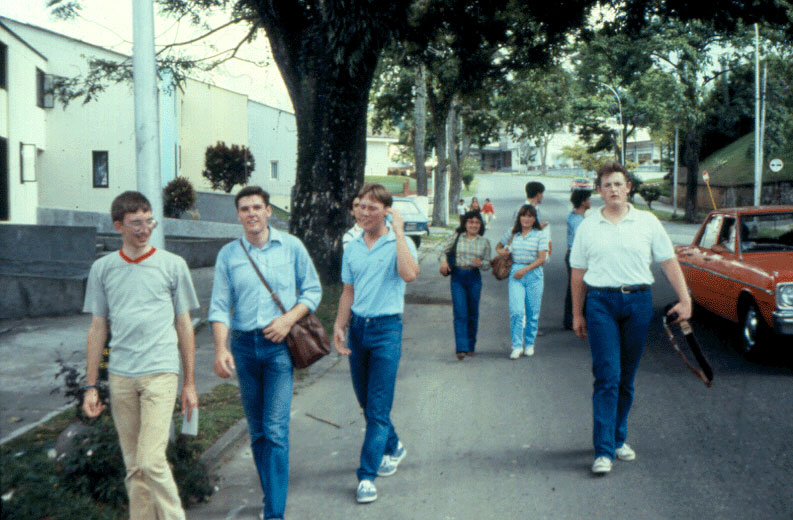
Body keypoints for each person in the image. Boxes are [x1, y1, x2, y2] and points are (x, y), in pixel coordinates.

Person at [82, 191, 199, 520]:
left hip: (160, 373)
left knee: (151, 460)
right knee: (134, 467)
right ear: (118, 225)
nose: (145, 228)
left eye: (149, 221)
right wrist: (91, 386)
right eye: (136, 223)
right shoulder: (103, 269)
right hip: (121, 376)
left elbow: (184, 326)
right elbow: (97, 329)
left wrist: (189, 383)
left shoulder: (173, 266)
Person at [570, 162, 692, 475]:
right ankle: (603, 451)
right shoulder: (588, 226)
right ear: (599, 191)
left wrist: (685, 299)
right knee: (607, 375)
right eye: (607, 185)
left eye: (618, 184)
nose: (613, 189)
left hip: (638, 302)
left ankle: (617, 437)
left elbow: (668, 261)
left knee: (626, 377)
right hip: (600, 303)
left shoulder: (647, 222)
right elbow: (578, 272)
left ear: (629, 188)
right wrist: (577, 312)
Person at [209, 186, 322, 519]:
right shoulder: (229, 254)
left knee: (274, 430)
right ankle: (271, 496)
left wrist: (288, 320)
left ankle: (274, 513)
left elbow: (313, 290)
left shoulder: (291, 247)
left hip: (277, 348)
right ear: (238, 215)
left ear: (269, 211)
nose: (251, 214)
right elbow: (218, 306)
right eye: (244, 209)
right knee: (257, 432)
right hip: (244, 347)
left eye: (257, 207)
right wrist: (220, 348)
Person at [333, 183, 420, 504]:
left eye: (372, 207)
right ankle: (394, 445)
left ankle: (366, 476)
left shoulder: (401, 242)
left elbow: (409, 274)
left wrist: (397, 232)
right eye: (360, 207)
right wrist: (339, 326)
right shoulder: (352, 246)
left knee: (378, 407)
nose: (364, 213)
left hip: (386, 330)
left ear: (387, 210)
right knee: (366, 403)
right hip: (358, 330)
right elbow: (348, 291)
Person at [496, 204, 549, 360]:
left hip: (534, 274)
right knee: (517, 311)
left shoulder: (540, 235)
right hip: (515, 274)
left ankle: (530, 343)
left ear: (534, 219)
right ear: (519, 217)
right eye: (524, 215)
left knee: (533, 312)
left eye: (530, 216)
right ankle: (517, 345)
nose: (526, 219)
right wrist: (503, 252)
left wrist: (525, 270)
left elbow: (541, 258)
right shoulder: (513, 233)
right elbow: (498, 246)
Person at [439, 211, 492, 360]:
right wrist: (443, 262)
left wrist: (481, 263)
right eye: (470, 222)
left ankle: (470, 345)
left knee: (473, 313)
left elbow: (488, 264)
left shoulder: (484, 242)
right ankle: (461, 348)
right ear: (465, 224)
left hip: (474, 277)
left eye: (477, 222)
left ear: (480, 225)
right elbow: (444, 250)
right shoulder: (457, 237)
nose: (473, 225)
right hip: (458, 277)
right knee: (460, 312)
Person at [564, 190, 592, 330]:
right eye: (588, 199)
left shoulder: (573, 215)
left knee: (573, 287)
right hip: (576, 255)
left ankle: (571, 317)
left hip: (570, 253)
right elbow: (579, 241)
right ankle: (574, 318)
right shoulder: (579, 221)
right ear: (583, 202)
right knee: (578, 287)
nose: (590, 202)